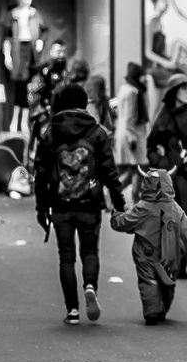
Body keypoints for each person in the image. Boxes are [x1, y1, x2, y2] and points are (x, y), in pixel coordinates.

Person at [34, 84, 125, 325]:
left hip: (60, 204)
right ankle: (90, 286)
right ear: (85, 104)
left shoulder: (50, 132)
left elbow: (41, 174)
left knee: (66, 256)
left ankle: (72, 311)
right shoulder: (97, 132)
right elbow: (109, 171)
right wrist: (119, 202)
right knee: (89, 251)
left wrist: (41, 208)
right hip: (90, 202)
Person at [110, 168, 187, 325]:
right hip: (170, 252)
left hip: (146, 251)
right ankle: (162, 309)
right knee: (168, 280)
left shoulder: (143, 207)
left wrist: (115, 217)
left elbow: (126, 222)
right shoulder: (175, 208)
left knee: (148, 279)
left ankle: (151, 311)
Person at [146, 73, 187, 278]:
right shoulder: (164, 115)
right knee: (170, 221)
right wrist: (160, 163)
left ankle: (182, 259)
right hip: (169, 177)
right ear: (174, 92)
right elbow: (151, 145)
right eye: (183, 88)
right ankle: (176, 263)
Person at [115, 62, 151, 189]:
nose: (144, 79)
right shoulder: (133, 92)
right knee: (137, 169)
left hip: (125, 133)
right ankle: (117, 194)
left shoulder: (124, 88)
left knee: (132, 169)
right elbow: (128, 116)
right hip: (132, 134)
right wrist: (131, 137)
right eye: (142, 76)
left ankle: (116, 195)